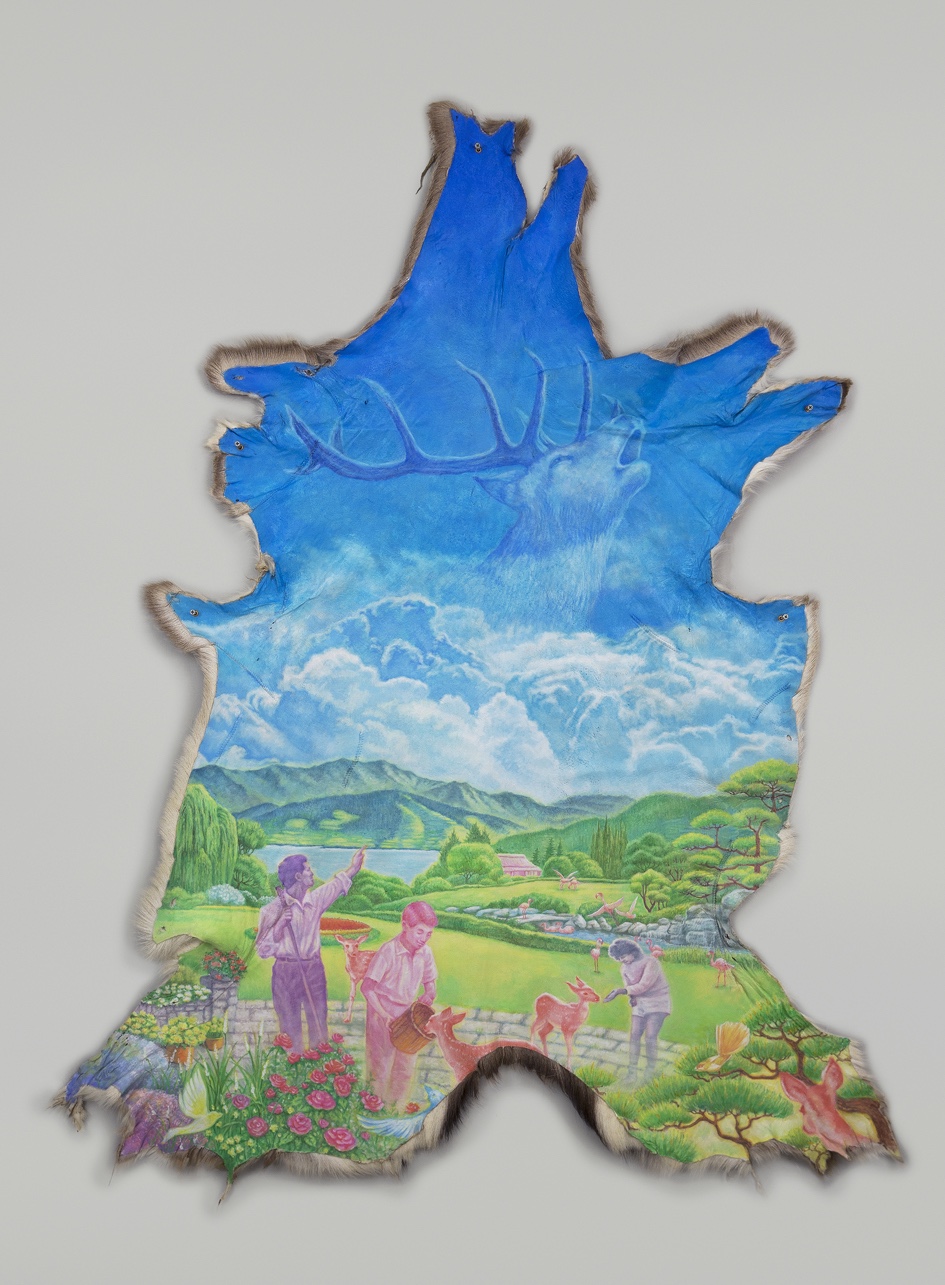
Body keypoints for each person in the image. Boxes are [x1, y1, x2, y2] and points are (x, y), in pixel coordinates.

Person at [255, 847, 365, 1051]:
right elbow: (262, 950)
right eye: (308, 870)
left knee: (318, 1021)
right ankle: (293, 1064)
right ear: (298, 876)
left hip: (313, 968)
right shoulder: (271, 910)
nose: (312, 873)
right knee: (289, 1025)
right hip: (285, 971)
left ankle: (320, 1065)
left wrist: (354, 867)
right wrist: (279, 926)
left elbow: (336, 885)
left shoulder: (315, 900)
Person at [360, 901, 437, 1108]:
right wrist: (384, 1014)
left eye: (428, 934)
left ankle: (396, 1110)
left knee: (405, 1067)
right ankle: (375, 1108)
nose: (423, 938)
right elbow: (367, 988)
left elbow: (430, 983)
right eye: (419, 932)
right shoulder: (389, 951)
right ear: (405, 926)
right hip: (381, 1014)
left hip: (408, 1016)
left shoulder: (425, 953)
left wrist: (429, 994)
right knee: (380, 1066)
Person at [602, 938, 671, 1081]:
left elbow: (644, 985)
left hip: (657, 1002)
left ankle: (650, 1071)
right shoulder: (624, 968)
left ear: (632, 952)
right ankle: (632, 1071)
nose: (622, 960)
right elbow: (630, 987)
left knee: (650, 1036)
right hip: (640, 1004)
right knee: (634, 1035)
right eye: (619, 959)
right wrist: (631, 997)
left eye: (623, 956)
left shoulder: (651, 962)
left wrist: (620, 991)